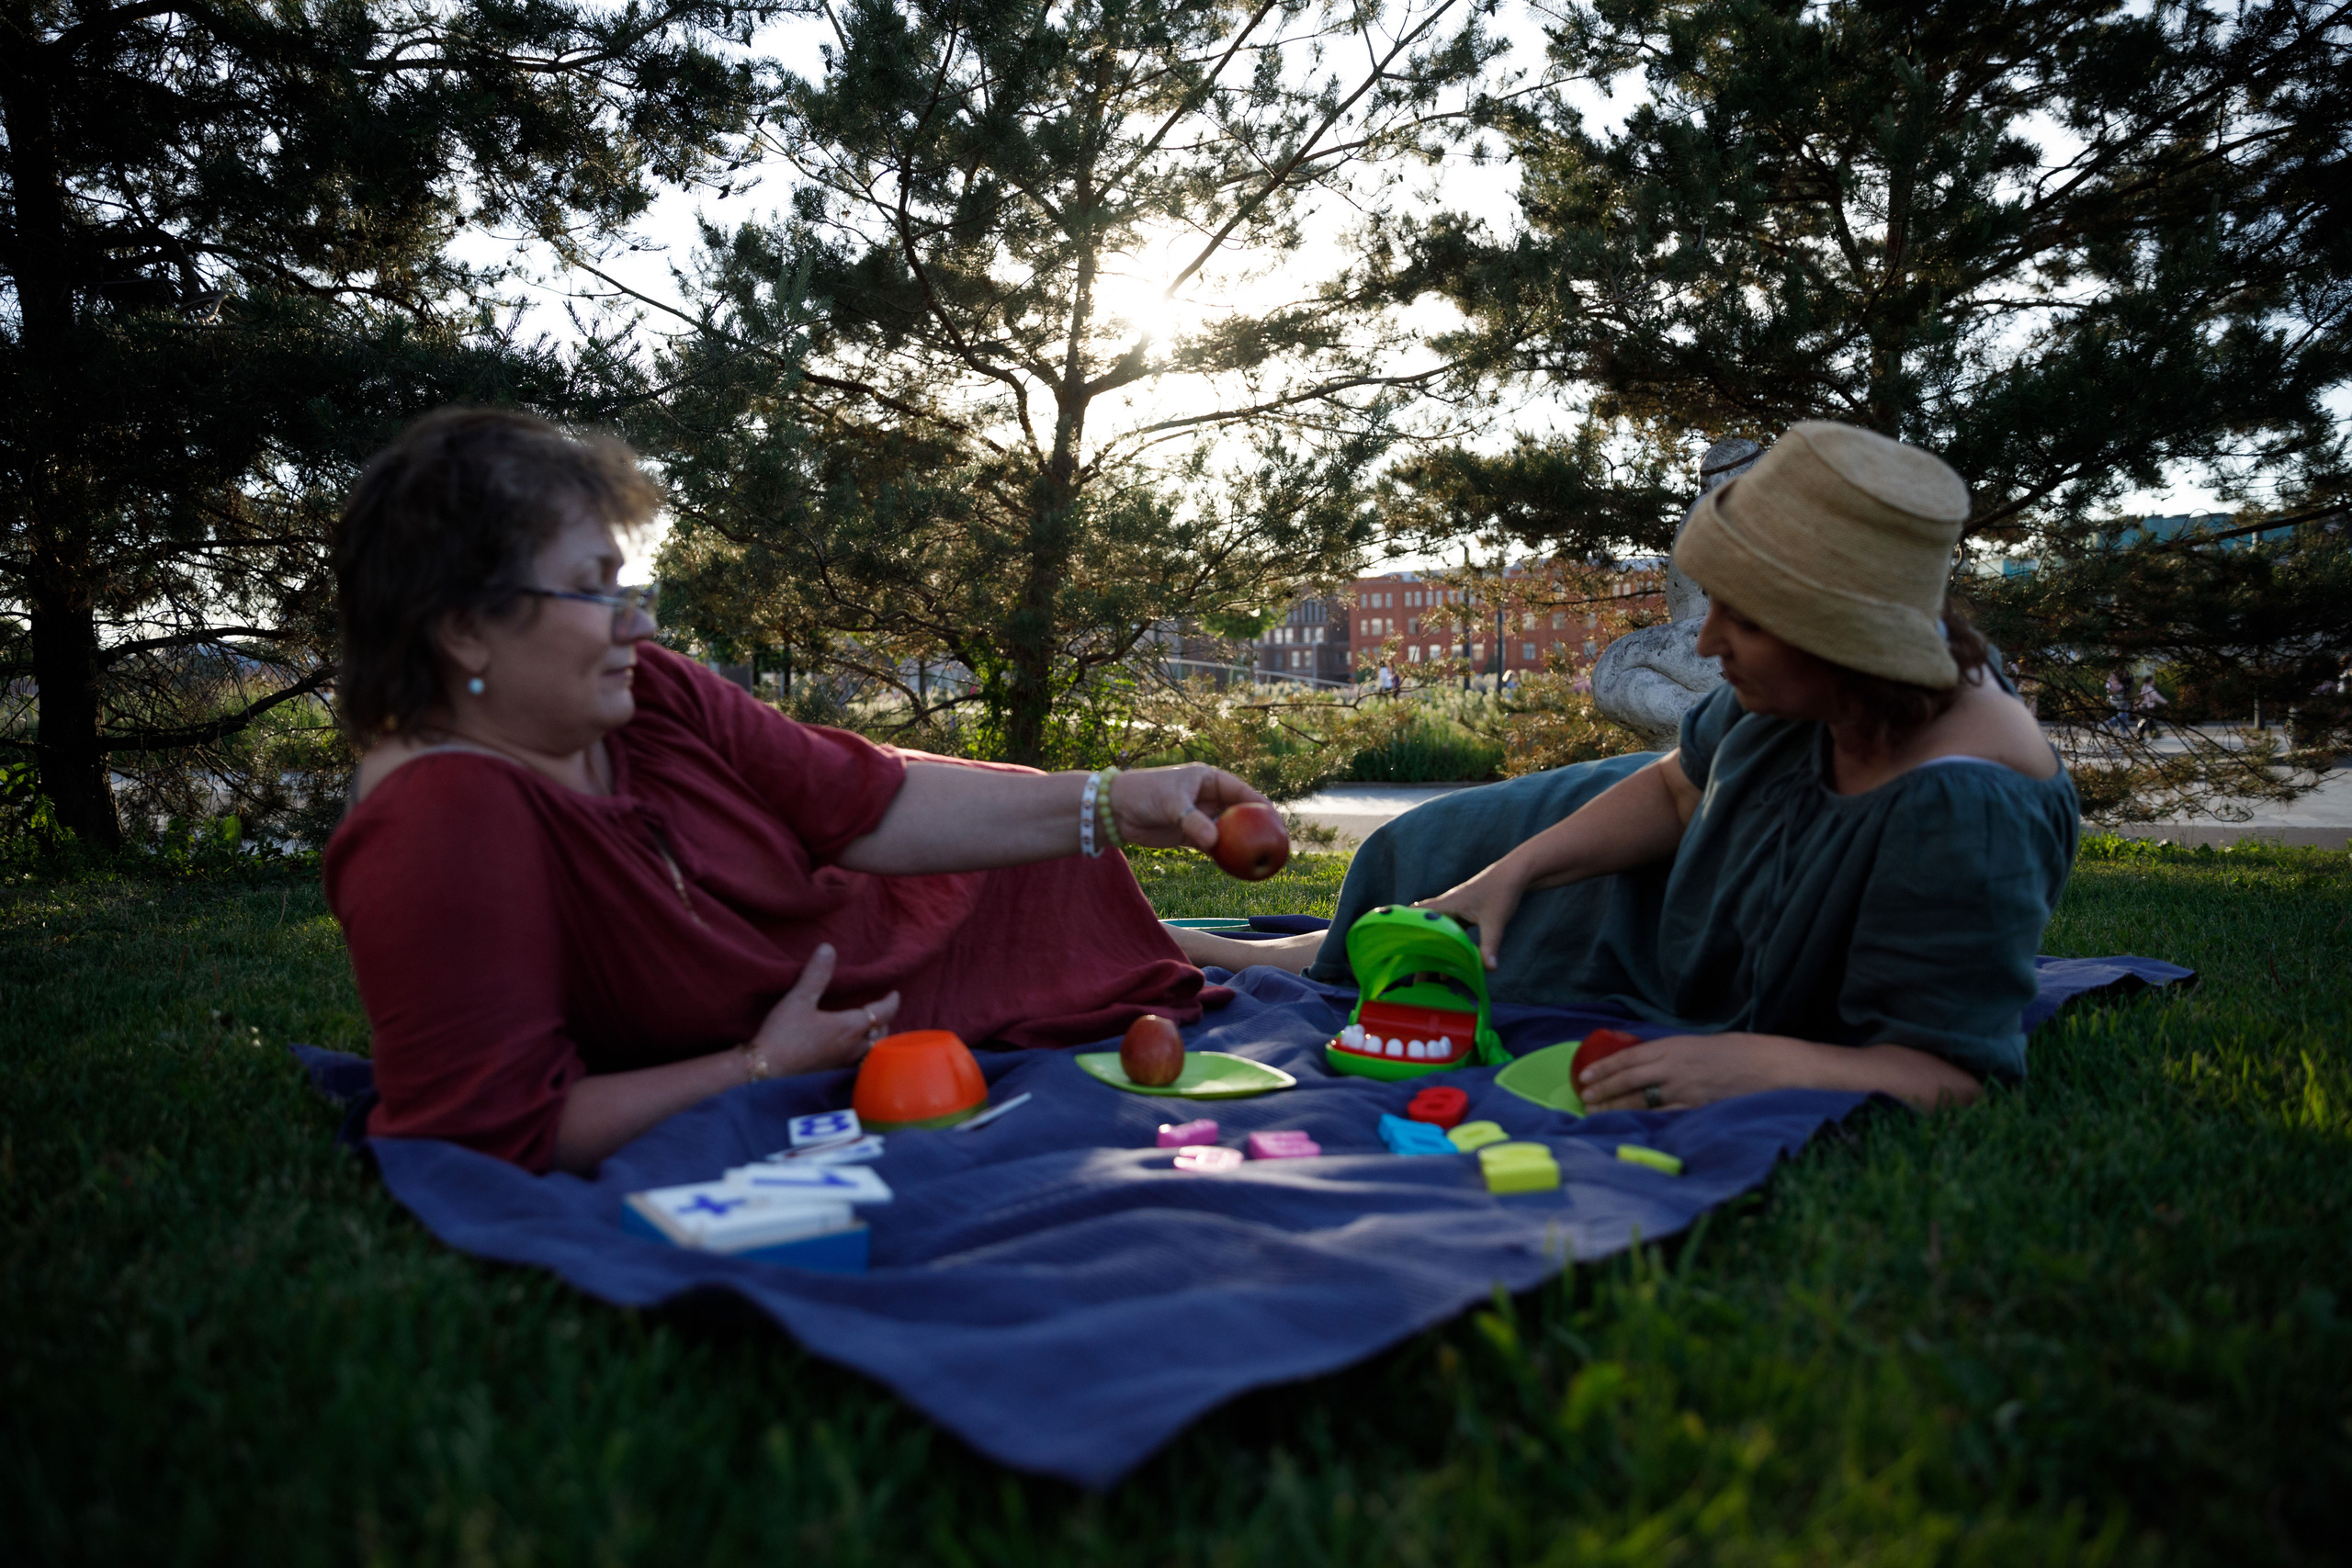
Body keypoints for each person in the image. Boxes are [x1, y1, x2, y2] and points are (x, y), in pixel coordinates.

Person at [325, 410, 1269, 1173]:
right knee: (1035, 880)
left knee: (1030, 833)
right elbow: (486, 1131)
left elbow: (868, 803)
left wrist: (1117, 803)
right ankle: (1281, 953)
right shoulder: (440, 824)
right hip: (837, 997)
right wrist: (761, 1068)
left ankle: (1285, 951)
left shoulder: (650, 689)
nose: (640, 622)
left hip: (855, 911)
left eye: (631, 585)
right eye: (596, 591)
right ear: (463, 631)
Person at [1168, 423, 2076, 1113]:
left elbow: (1951, 1073)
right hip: (1674, 853)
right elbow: (1681, 784)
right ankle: (1293, 949)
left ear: (1841, 641)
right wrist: (1509, 872)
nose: (1708, 642)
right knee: (1426, 856)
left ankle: (1282, 956)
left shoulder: (1965, 805)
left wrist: (1770, 1063)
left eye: (1745, 622)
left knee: (1464, 960)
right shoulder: (1806, 695)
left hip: (1692, 937)